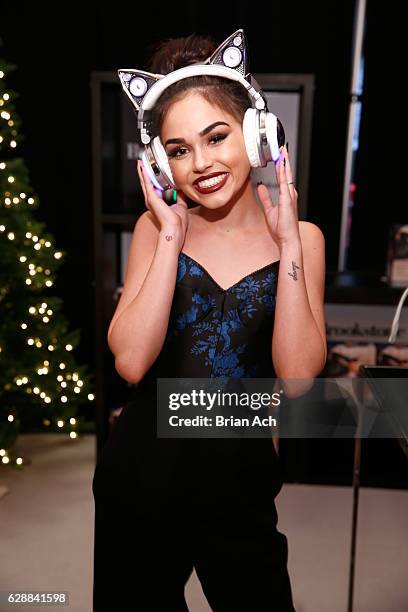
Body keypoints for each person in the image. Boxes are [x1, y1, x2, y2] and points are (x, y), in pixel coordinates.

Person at [92, 30, 326, 612]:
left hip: (241, 481)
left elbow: (297, 377)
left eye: (216, 137)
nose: (200, 164)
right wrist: (171, 235)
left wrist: (289, 246)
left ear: (255, 133)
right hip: (141, 475)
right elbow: (131, 360)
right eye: (178, 149)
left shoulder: (306, 242)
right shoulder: (155, 231)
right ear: (160, 163)